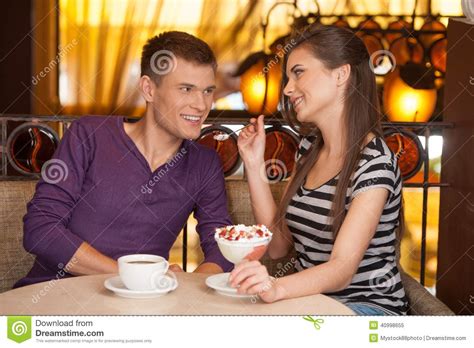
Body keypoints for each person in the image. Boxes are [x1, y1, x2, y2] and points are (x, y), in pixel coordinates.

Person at [15, 31, 233, 288]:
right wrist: (133, 277)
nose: (201, 104)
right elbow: (41, 230)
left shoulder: (204, 163)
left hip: (141, 308)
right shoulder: (89, 135)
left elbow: (223, 247)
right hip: (55, 296)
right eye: (186, 89)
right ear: (149, 89)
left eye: (208, 91)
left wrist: (187, 282)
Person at [231, 24, 408, 315]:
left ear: (341, 74)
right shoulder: (309, 148)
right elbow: (277, 246)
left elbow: (341, 269)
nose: (287, 88)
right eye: (287, 76)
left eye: (298, 72)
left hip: (367, 310)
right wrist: (252, 163)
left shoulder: (375, 163)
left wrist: (278, 288)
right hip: (312, 306)